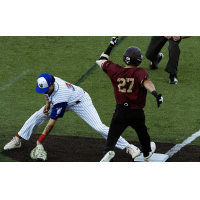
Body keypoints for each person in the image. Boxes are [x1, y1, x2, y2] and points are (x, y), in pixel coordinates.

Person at [4, 72, 140, 161]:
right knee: (37, 116)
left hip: (81, 101)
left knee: (99, 127)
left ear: (52, 84)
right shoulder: (50, 81)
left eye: (46, 88)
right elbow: (47, 93)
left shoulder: (60, 95)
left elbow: (51, 123)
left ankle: (129, 147)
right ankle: (17, 139)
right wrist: (47, 105)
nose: (44, 91)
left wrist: (40, 140)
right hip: (62, 101)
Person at [96, 37, 163, 162]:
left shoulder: (115, 70)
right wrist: (155, 93)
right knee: (142, 133)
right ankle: (147, 152)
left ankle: (108, 151)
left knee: (112, 135)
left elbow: (101, 60)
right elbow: (146, 83)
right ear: (139, 60)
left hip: (120, 111)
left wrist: (111, 45)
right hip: (136, 112)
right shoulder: (140, 72)